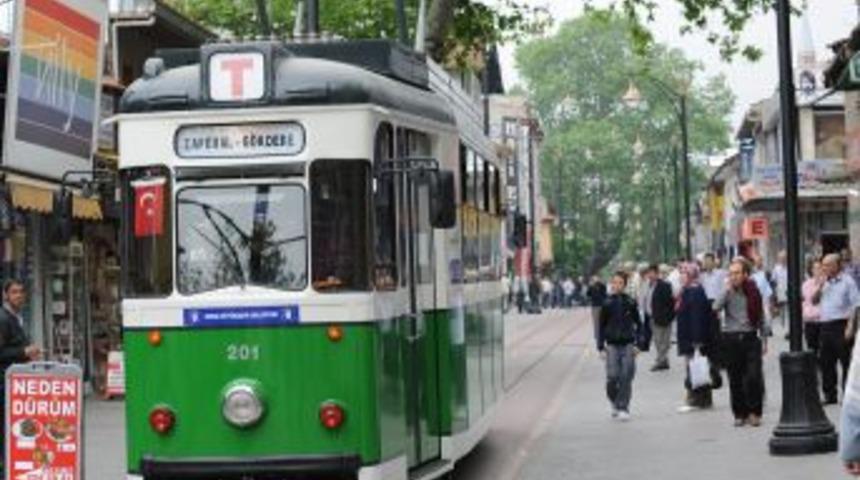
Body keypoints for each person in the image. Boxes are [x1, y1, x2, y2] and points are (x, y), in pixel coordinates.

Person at [713, 258, 768, 427]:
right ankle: (739, 413)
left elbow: (760, 317)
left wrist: (765, 340)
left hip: (751, 338)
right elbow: (715, 307)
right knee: (735, 379)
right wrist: (726, 290)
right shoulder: (728, 291)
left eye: (737, 273)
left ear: (745, 274)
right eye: (731, 273)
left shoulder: (753, 291)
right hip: (731, 339)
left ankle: (754, 412)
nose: (733, 276)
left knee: (753, 377)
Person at [0, 279, 41, 458]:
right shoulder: (3, 318)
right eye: (14, 292)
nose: (19, 296)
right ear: (5, 295)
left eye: (21, 292)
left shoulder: (16, 317)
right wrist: (24, 351)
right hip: (4, 383)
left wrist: (28, 353)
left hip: (15, 384)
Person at [597, 272, 646, 421]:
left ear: (624, 285)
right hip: (611, 345)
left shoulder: (630, 302)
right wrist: (600, 347)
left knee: (626, 375)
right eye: (614, 283)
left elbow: (639, 324)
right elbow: (600, 326)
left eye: (620, 283)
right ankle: (614, 401)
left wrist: (639, 344)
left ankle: (623, 407)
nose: (616, 285)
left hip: (628, 344)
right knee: (612, 376)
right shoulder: (606, 303)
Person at [813, 253, 860, 404]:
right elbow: (814, 301)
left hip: (841, 324)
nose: (824, 268)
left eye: (827, 265)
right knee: (826, 362)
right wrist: (820, 286)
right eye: (823, 265)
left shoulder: (848, 281)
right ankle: (829, 394)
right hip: (825, 325)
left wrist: (850, 327)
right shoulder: (823, 282)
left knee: (845, 361)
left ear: (837, 265)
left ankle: (847, 393)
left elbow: (855, 305)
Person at [676, 262, 716, 412]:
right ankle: (703, 399)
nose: (681, 276)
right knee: (698, 368)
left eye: (684, 273)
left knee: (695, 368)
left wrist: (697, 341)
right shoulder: (688, 290)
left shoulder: (694, 291)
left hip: (693, 338)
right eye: (681, 272)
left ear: (691, 275)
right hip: (690, 337)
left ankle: (696, 399)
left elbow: (698, 318)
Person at [644, 264, 675, 371]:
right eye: (648, 273)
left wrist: (669, 317)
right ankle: (664, 361)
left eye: (652, 273)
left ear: (657, 273)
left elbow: (670, 303)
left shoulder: (665, 285)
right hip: (652, 317)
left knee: (664, 341)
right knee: (657, 341)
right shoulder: (648, 285)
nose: (650, 275)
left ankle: (660, 361)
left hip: (663, 318)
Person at [802, 260, 823, 355]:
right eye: (815, 268)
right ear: (812, 270)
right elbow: (812, 300)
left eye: (820, 268)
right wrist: (821, 287)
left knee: (823, 350)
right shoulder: (807, 284)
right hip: (810, 321)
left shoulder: (828, 283)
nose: (818, 271)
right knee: (812, 348)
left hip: (823, 321)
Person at [587, 276, 607, 344]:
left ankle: (602, 334)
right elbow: (588, 294)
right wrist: (590, 286)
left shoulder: (602, 286)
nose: (596, 280)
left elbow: (605, 293)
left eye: (597, 278)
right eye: (594, 279)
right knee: (596, 322)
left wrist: (601, 284)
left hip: (602, 305)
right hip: (595, 306)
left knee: (602, 321)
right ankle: (597, 335)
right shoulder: (591, 286)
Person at [772, 251, 789, 332]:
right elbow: (774, 280)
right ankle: (783, 326)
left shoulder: (790, 267)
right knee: (782, 310)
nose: (782, 260)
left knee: (788, 310)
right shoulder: (776, 268)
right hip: (780, 292)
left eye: (784, 258)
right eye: (781, 258)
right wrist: (774, 293)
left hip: (789, 291)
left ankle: (787, 328)